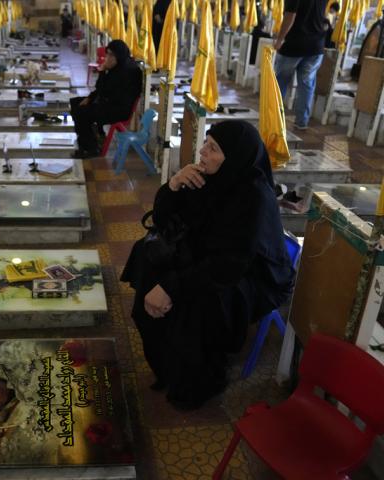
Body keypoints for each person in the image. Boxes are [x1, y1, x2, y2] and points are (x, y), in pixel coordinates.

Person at [121, 121, 295, 411]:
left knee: (201, 302)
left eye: (213, 148)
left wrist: (171, 287)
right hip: (215, 257)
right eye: (206, 142)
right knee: (148, 255)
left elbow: (230, 264)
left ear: (235, 156)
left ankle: (198, 381)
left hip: (251, 276)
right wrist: (173, 186)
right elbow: (164, 222)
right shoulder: (207, 177)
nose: (202, 152)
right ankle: (165, 359)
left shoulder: (253, 197)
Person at [69, 39, 142, 159]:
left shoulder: (127, 71)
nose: (107, 57)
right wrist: (89, 98)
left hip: (118, 110)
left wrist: (103, 72)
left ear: (119, 55)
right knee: (75, 102)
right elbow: (101, 90)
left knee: (81, 112)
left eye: (111, 55)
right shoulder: (120, 66)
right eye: (107, 54)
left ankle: (90, 148)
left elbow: (104, 90)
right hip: (110, 103)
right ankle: (92, 135)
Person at [273, 0, 327, 130]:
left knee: (280, 83)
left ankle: (275, 120)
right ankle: (302, 121)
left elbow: (290, 15)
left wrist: (280, 39)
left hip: (294, 45)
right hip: (316, 45)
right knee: (306, 85)